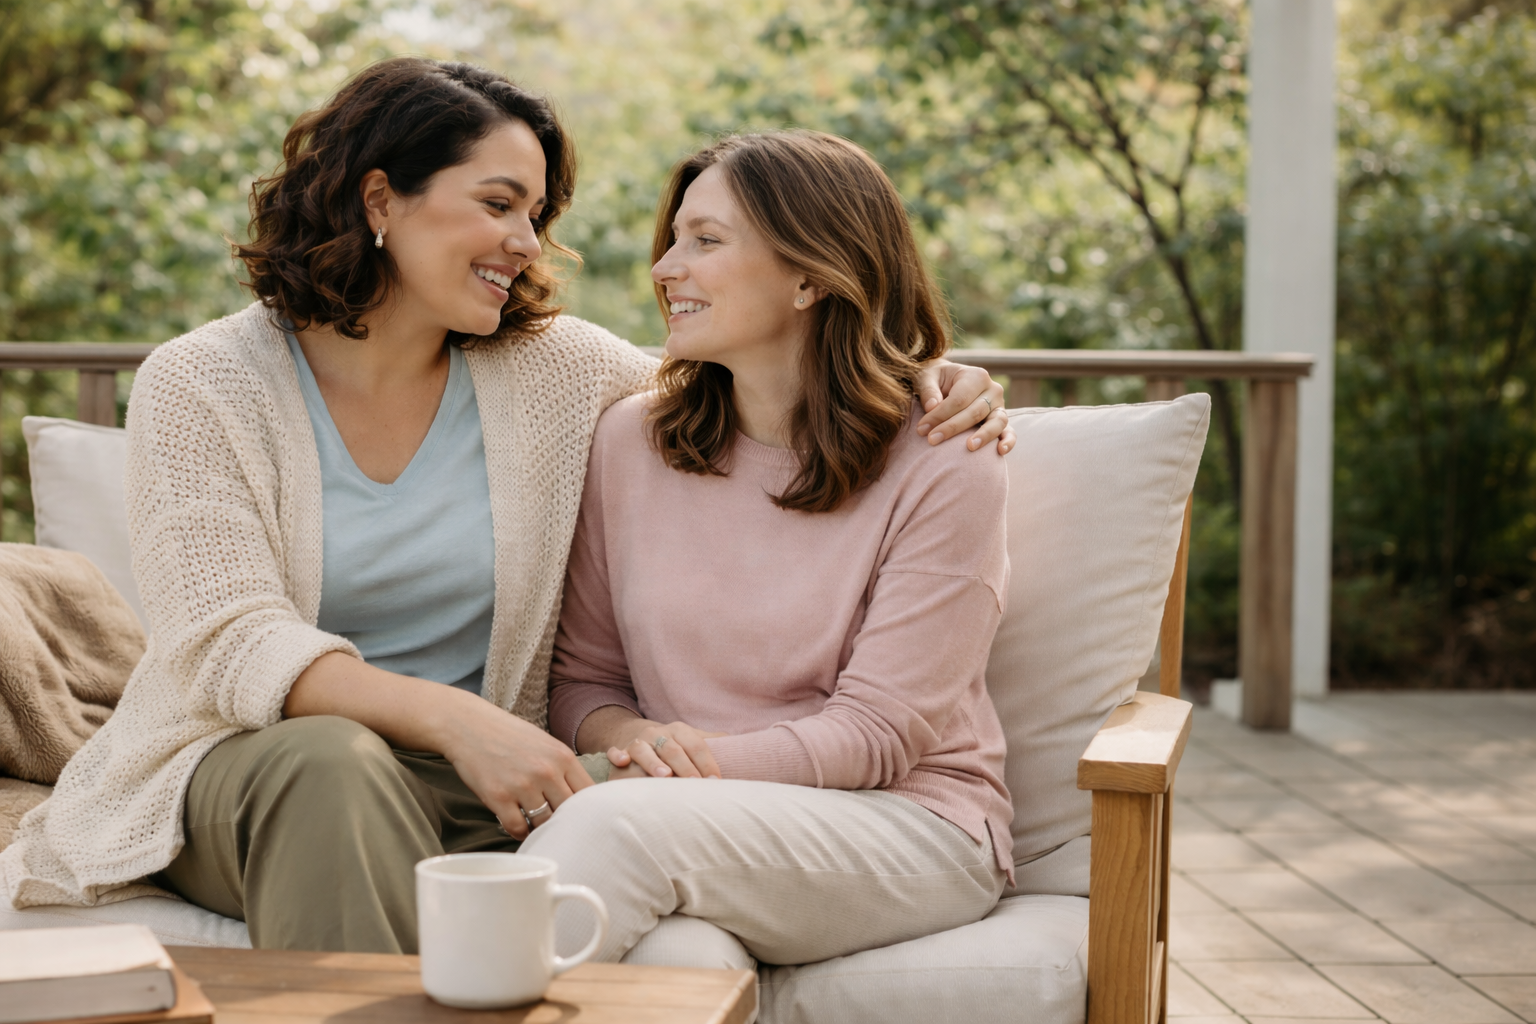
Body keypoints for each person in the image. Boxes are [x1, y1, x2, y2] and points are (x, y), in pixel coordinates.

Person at [0, 57, 1012, 953]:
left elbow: (761, 374)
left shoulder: (558, 375)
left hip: (489, 789)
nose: (526, 241)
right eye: (498, 204)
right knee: (332, 763)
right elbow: (227, 642)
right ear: (380, 199)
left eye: (536, 213)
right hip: (251, 777)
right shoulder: (203, 382)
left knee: (549, 826)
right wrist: (460, 722)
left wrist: (933, 378)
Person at [521, 129, 1013, 970]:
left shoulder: (943, 454)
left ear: (813, 274)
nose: (666, 268)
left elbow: (879, 734)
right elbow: (585, 684)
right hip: (691, 821)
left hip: (906, 824)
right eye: (674, 240)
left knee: (609, 824)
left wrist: (660, 774)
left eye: (706, 242)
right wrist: (640, 738)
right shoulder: (630, 444)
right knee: (681, 964)